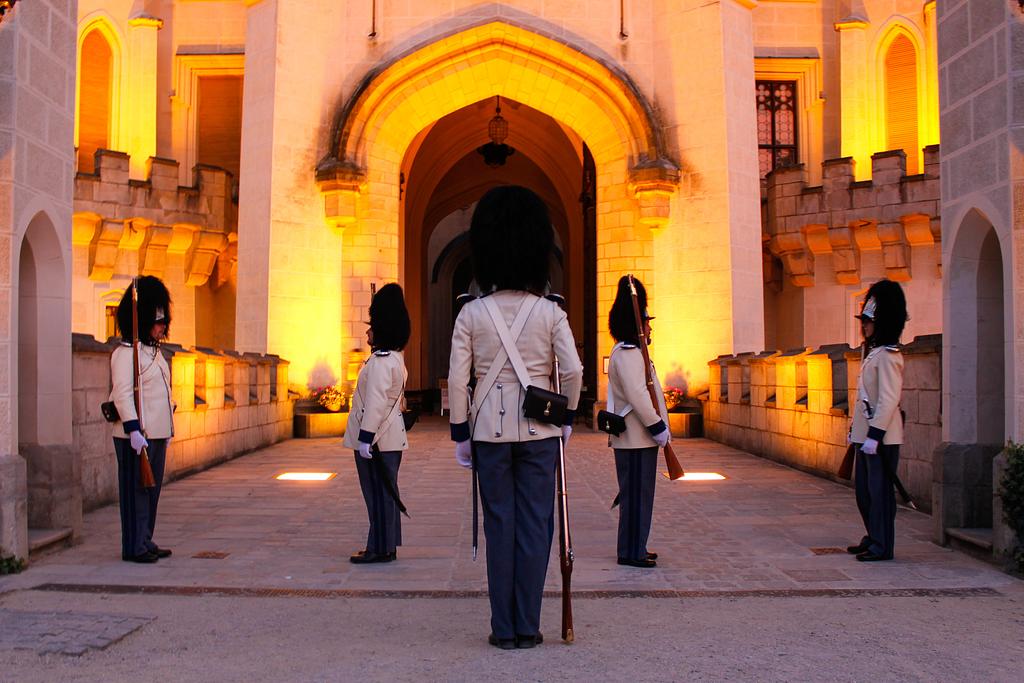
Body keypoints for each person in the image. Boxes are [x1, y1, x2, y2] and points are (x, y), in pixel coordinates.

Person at [448, 185, 583, 650]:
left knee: (499, 526)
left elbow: (457, 379)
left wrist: (460, 434)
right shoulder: (551, 312)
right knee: (536, 527)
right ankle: (528, 624)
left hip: (488, 432)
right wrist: (566, 419)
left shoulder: (471, 314)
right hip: (541, 431)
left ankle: (503, 629)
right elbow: (573, 371)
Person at [343, 283, 411, 564]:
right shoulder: (391, 358)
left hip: (377, 438)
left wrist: (365, 438)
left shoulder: (382, 361)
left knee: (378, 494)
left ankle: (379, 548)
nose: (367, 333)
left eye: (371, 327)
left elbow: (375, 403)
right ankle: (386, 545)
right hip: (387, 437)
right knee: (386, 493)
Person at [605, 276, 670, 569]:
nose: (650, 327)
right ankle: (631, 551)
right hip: (636, 437)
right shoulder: (628, 353)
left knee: (640, 496)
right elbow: (638, 395)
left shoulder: (633, 352)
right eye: (646, 322)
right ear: (637, 325)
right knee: (635, 498)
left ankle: (637, 546)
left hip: (638, 438)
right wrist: (657, 426)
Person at [109, 276, 174, 563]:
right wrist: (133, 430)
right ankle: (134, 545)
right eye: (157, 321)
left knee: (151, 490)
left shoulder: (154, 353)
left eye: (163, 321)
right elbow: (123, 395)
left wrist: (168, 423)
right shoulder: (125, 354)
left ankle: (145, 539)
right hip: (136, 435)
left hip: (157, 433)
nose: (162, 327)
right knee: (135, 491)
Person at [847, 279, 907, 562]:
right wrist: (856, 431)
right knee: (864, 493)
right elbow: (863, 397)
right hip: (865, 435)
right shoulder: (873, 353)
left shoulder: (889, 356)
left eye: (869, 321)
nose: (865, 326)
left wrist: (874, 435)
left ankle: (882, 545)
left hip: (880, 437)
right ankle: (872, 536)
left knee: (880, 493)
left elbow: (888, 398)